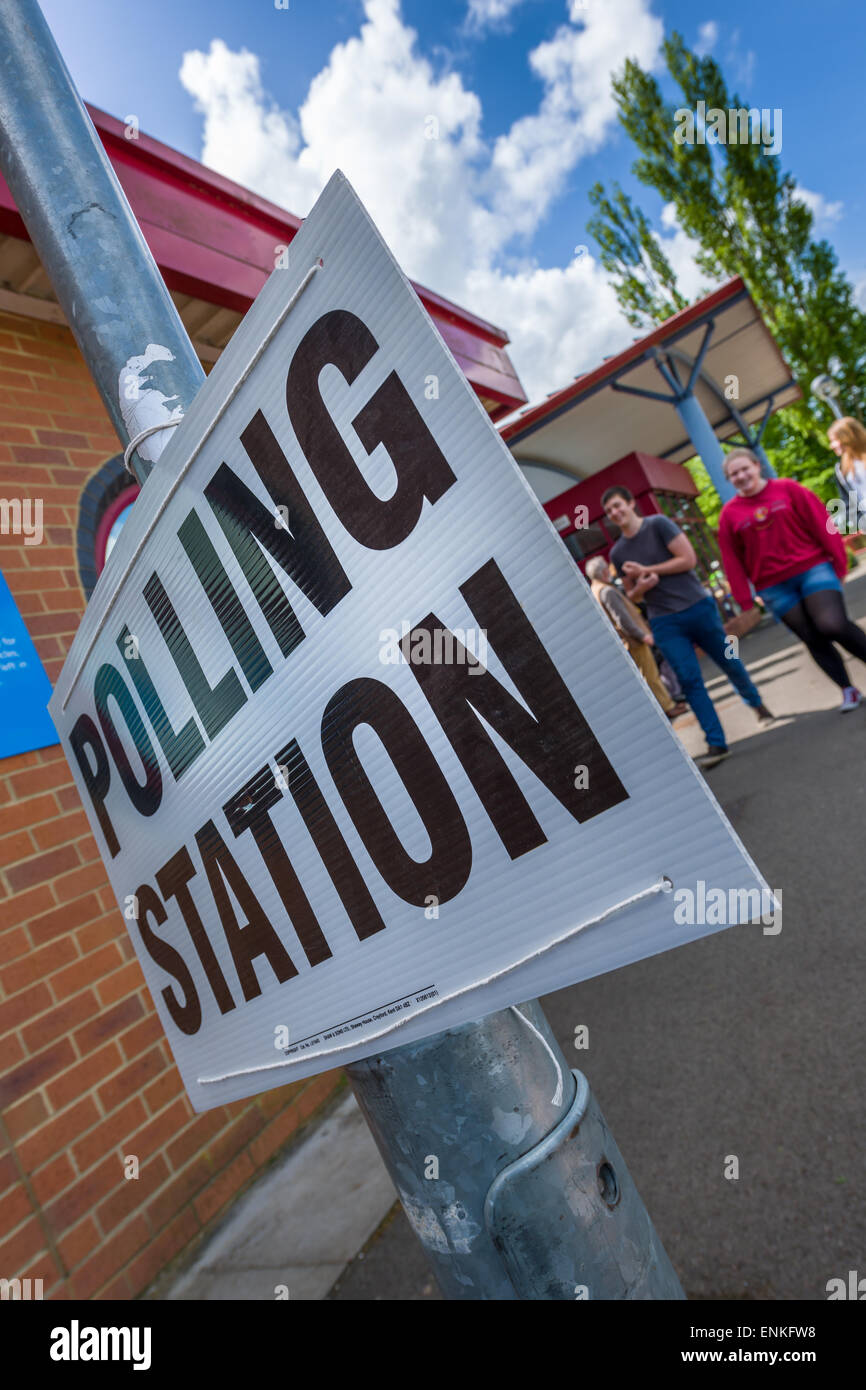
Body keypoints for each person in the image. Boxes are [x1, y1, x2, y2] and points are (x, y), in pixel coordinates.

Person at [602, 485, 773, 769]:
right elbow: (631, 595)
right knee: (689, 680)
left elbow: (688, 560)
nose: (615, 513)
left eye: (618, 505)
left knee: (729, 662)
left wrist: (651, 571)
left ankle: (756, 703)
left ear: (631, 503)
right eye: (609, 511)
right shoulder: (618, 552)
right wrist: (641, 587)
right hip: (665, 621)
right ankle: (716, 742)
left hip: (697, 607)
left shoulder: (659, 525)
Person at [718, 447, 866, 711]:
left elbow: (822, 522)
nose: (741, 476)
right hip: (773, 586)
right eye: (733, 474)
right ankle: (847, 689)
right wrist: (745, 599)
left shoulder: (787, 489)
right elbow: (732, 560)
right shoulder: (729, 514)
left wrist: (839, 563)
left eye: (744, 469)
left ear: (756, 466)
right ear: (729, 479)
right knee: (812, 637)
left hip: (813, 569)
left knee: (832, 624)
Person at [584, 555, 688, 719]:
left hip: (628, 641)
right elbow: (622, 619)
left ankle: (667, 704)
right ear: (603, 572)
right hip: (633, 641)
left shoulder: (596, 590)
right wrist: (643, 635)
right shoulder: (607, 591)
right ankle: (667, 707)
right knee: (651, 675)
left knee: (649, 674)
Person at [828, 416, 866, 516]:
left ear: (848, 437)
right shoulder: (841, 470)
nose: (831, 446)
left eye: (834, 440)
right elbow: (850, 505)